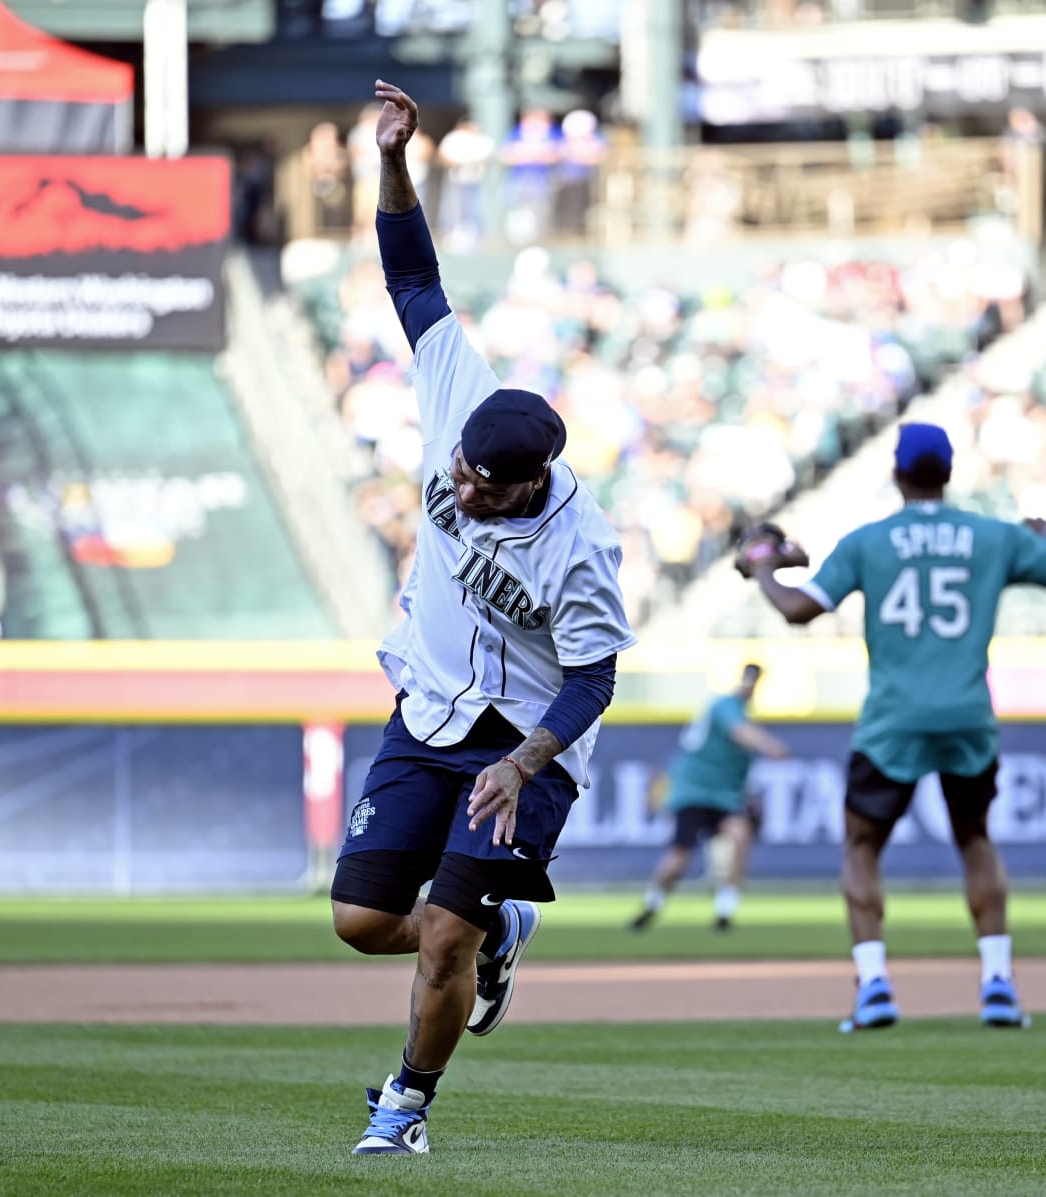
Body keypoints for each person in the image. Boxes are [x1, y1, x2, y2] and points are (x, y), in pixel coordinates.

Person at [329, 80, 637, 1156]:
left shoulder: (580, 546)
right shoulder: (460, 395)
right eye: (455, 471)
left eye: (480, 486)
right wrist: (394, 158)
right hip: (430, 710)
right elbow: (411, 272)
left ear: (528, 483)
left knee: (441, 935)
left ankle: (404, 1107)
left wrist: (530, 760)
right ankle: (503, 930)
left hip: (524, 742)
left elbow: (595, 678)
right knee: (365, 921)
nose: (457, 489)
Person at [738, 423, 1046, 1032]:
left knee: (861, 845)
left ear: (898, 474)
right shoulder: (992, 536)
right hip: (967, 713)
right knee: (975, 840)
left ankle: (875, 984)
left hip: (893, 719)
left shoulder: (870, 541)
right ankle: (998, 984)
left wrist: (764, 566)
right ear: (949, 473)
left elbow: (798, 609)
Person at [629, 663, 789, 933]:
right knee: (680, 856)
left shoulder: (742, 714)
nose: (749, 687)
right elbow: (742, 734)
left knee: (740, 836)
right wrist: (771, 746)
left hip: (724, 796)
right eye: (748, 681)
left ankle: (725, 910)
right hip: (694, 790)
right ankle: (652, 903)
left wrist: (747, 793)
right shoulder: (725, 705)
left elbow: (738, 762)